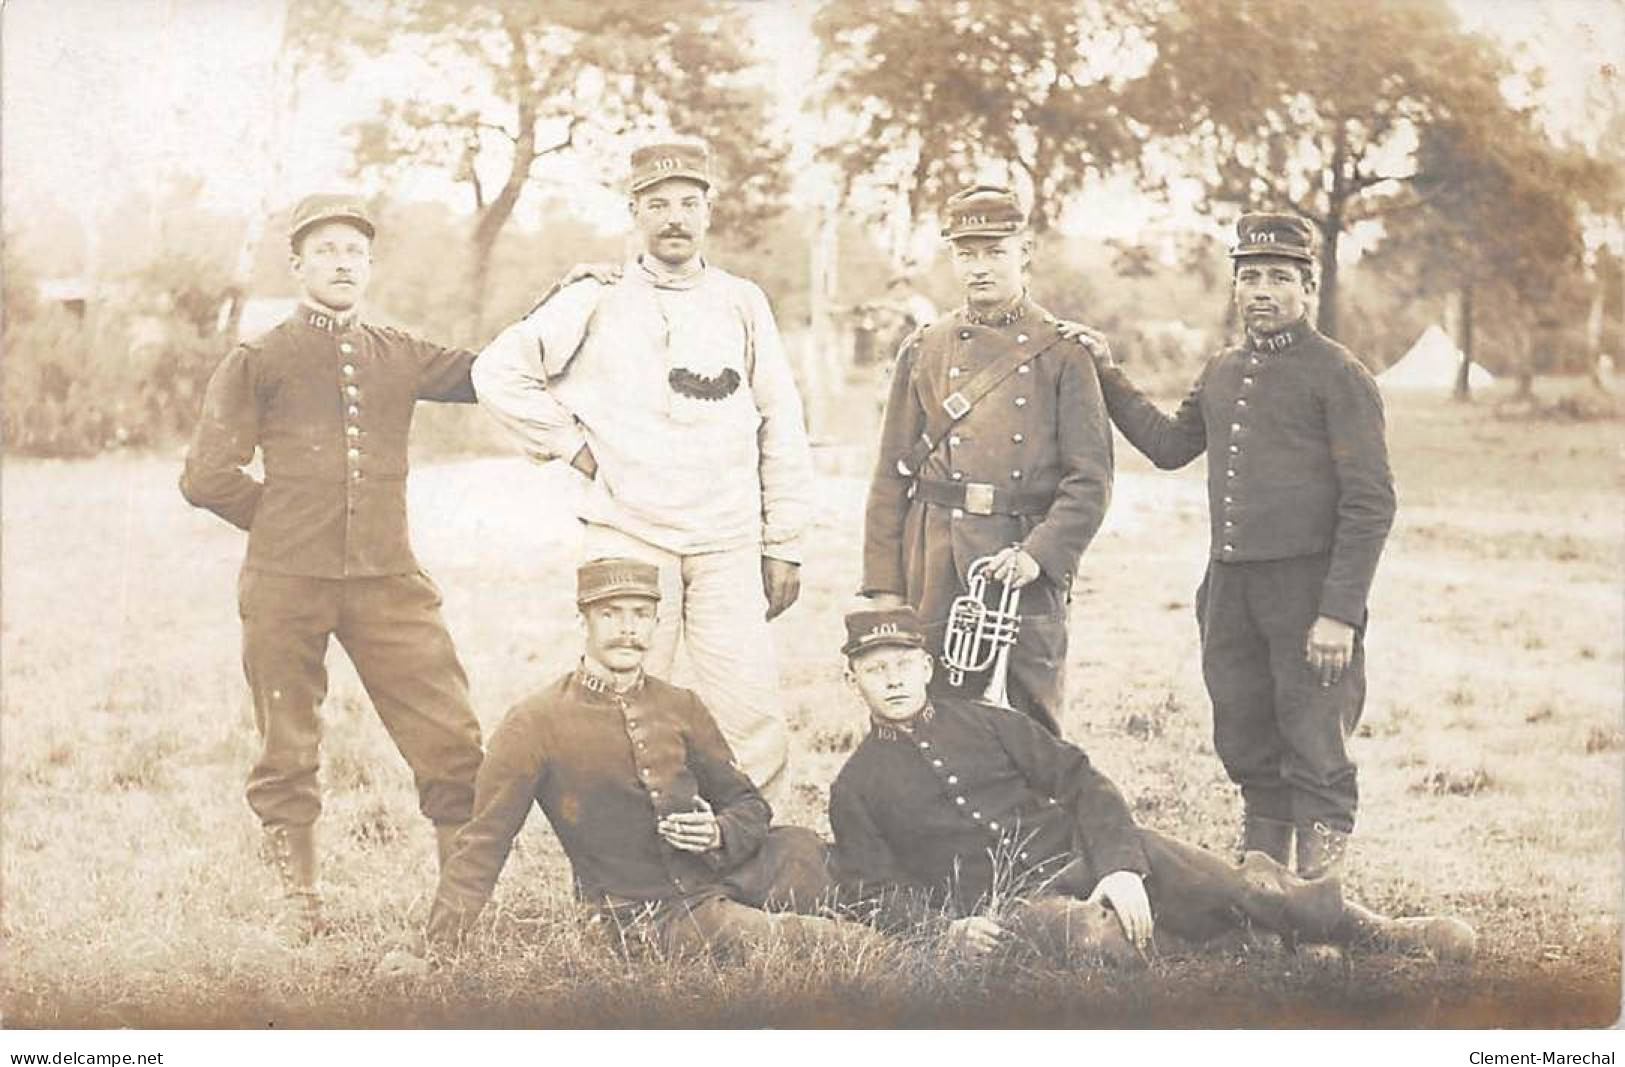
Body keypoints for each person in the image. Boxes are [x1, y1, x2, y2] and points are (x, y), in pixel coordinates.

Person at [827, 607, 1475, 965]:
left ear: (927, 665)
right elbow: (870, 891)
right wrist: (947, 931)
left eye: (904, 663)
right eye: (874, 668)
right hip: (1011, 905)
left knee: (1239, 882)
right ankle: (1245, 950)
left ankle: (1379, 935)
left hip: (1087, 855)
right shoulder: (854, 786)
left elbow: (1083, 781)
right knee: (1094, 940)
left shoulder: (987, 722)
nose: (892, 680)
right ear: (851, 679)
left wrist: (1116, 865)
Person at [180, 194, 484, 942]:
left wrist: (569, 303)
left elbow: (494, 372)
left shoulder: (398, 350)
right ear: (298, 265)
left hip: (389, 578)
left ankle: (458, 905)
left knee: (450, 734)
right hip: (286, 583)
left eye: (354, 250)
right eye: (326, 250)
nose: (342, 262)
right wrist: (283, 519)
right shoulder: (261, 356)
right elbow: (204, 475)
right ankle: (299, 903)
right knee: (287, 744)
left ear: (369, 264)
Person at [472, 141, 813, 803]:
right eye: (657, 204)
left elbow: (781, 421)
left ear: (708, 211)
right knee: (618, 706)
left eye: (688, 202)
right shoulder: (594, 298)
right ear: (634, 212)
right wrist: (572, 446)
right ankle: (620, 868)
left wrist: (785, 542)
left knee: (749, 712)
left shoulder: (741, 302)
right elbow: (498, 373)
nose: (674, 218)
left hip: (726, 539)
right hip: (629, 534)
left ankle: (749, 854)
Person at [1074, 213, 1396, 878]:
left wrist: (1338, 612)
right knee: (1246, 735)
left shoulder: (1338, 374)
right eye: (1249, 276)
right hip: (1229, 592)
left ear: (1307, 287)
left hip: (1308, 595)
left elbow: (1370, 503)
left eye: (1279, 277)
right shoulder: (1222, 370)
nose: (1261, 291)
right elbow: (1168, 446)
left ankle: (1317, 905)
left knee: (1313, 743)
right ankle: (1263, 889)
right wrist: (1106, 374)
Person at [379, 559, 845, 975]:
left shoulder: (679, 704)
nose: (628, 630)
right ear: (581, 620)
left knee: (811, 854)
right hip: (646, 912)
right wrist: (434, 949)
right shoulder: (534, 722)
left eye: (640, 615)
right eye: (610, 614)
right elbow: (482, 844)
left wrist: (720, 832)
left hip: (714, 872)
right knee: (820, 941)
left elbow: (747, 804)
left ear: (656, 623)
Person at [861, 185, 1113, 735]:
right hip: (933, 555)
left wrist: (1040, 556)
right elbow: (889, 475)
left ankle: (1030, 824)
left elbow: (1089, 480)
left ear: (1026, 251)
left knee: (1029, 718)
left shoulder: (1064, 352)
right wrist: (884, 584)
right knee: (925, 716)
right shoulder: (924, 347)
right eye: (966, 252)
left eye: (995, 251)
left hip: (1019, 559)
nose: (979, 267)